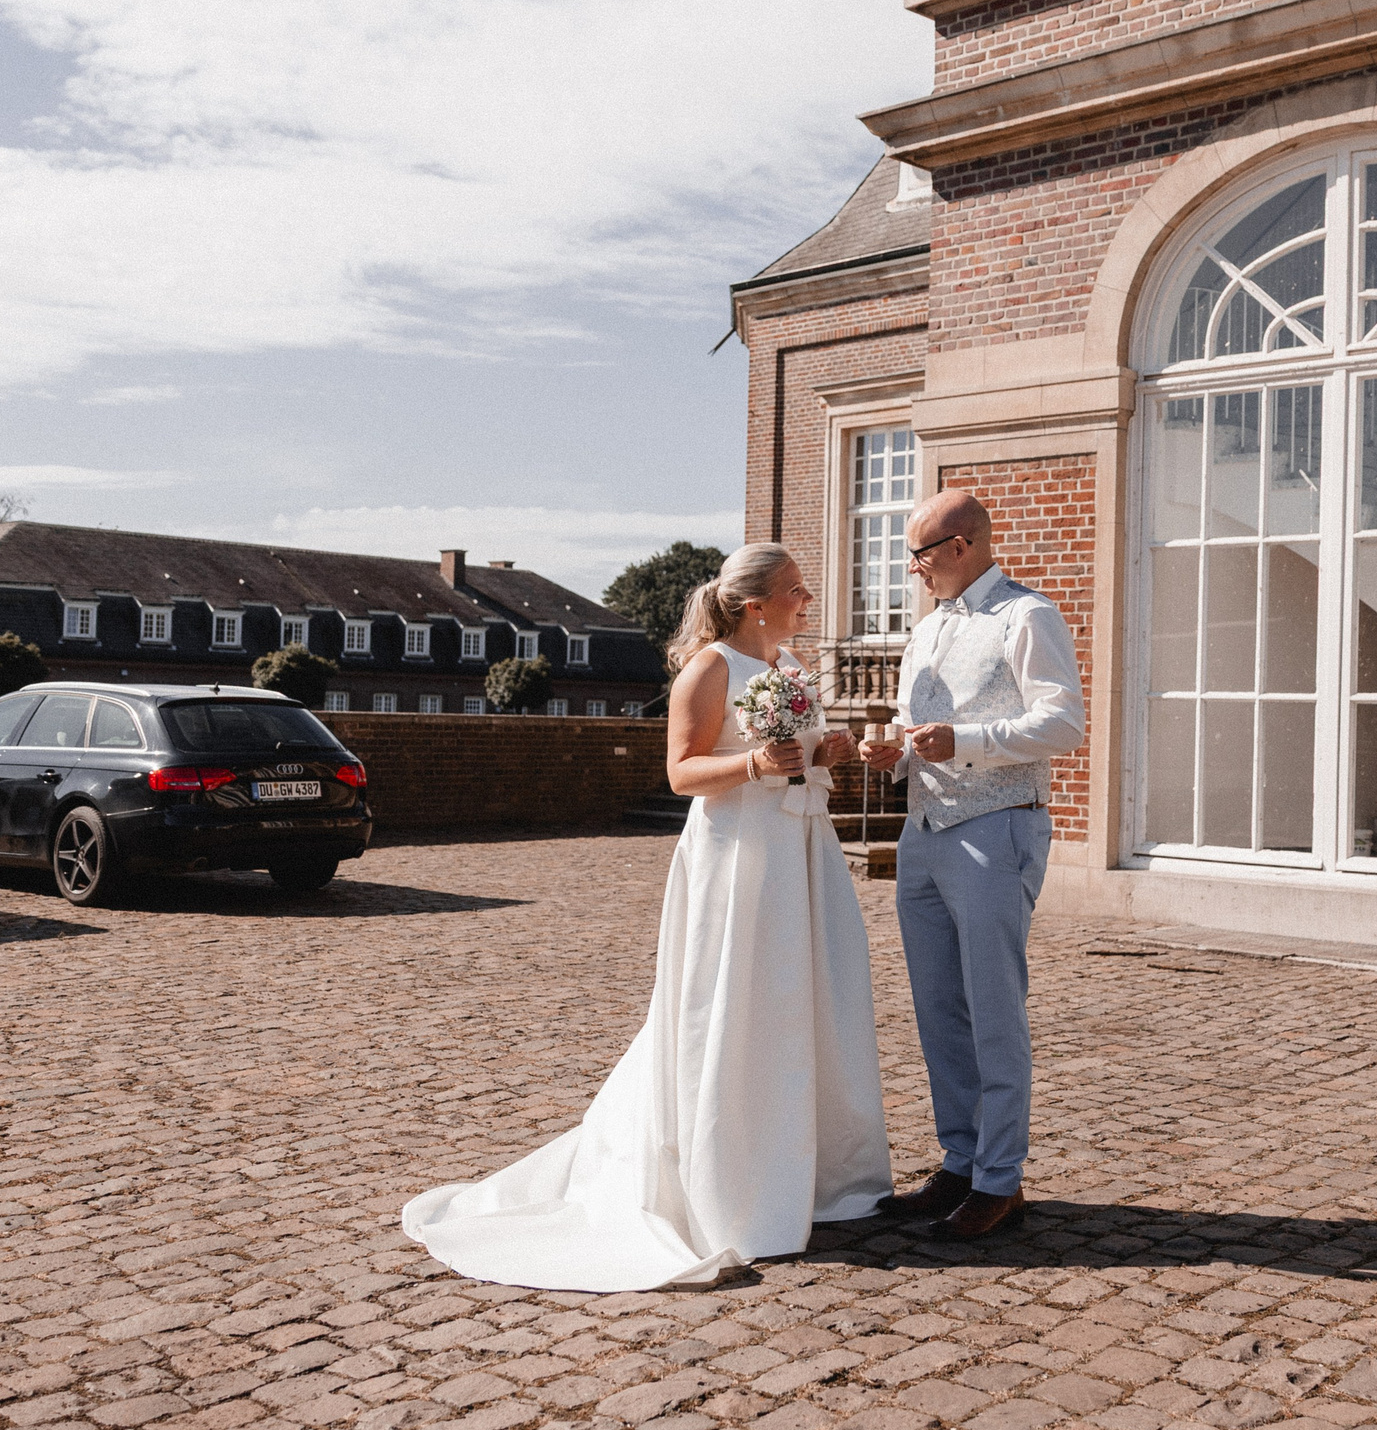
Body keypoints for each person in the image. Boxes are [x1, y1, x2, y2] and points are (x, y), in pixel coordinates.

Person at [401, 544, 891, 1291]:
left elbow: (805, 755)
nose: (807, 599)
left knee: (809, 998)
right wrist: (756, 765)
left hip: (800, 848)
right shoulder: (712, 667)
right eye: (796, 589)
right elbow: (682, 770)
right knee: (734, 1003)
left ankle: (812, 1174)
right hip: (739, 858)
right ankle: (734, 1186)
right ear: (756, 602)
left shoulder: (788, 666)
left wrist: (839, 749)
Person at [860, 490, 1085, 1240]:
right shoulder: (925, 631)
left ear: (962, 545)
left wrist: (967, 741)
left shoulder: (1029, 615)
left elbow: (1062, 723)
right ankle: (959, 1160)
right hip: (923, 829)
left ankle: (999, 1178)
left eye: (920, 553)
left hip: (996, 829)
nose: (912, 567)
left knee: (994, 1008)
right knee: (938, 1008)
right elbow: (915, 724)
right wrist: (889, 747)